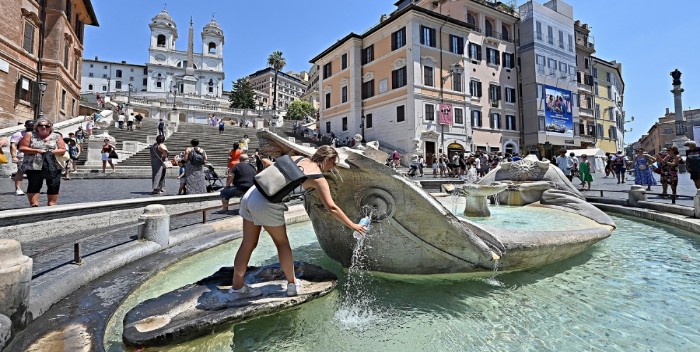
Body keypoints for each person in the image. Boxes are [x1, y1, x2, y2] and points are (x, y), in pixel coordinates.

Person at [230, 146, 367, 299]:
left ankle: (237, 288)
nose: (332, 168)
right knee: (282, 243)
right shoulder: (318, 179)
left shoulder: (296, 158)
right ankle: (292, 285)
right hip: (266, 203)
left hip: (252, 194)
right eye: (333, 163)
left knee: (247, 244)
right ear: (327, 159)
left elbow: (271, 167)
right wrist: (353, 225)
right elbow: (332, 208)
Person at [17, 118, 66, 207]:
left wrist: (51, 152)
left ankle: (52, 204)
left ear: (50, 127)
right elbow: (22, 148)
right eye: (41, 125)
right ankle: (34, 204)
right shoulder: (30, 134)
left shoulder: (57, 136)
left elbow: (63, 149)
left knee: (54, 184)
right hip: (34, 165)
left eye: (47, 125)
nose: (44, 127)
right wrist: (38, 151)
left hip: (53, 164)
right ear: (37, 127)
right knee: (34, 184)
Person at [10, 120, 34, 195]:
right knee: (20, 171)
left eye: (33, 125)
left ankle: (33, 188)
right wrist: (14, 156)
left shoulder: (37, 134)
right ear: (25, 126)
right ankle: (18, 189)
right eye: (29, 125)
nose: (31, 127)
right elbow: (13, 145)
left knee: (35, 172)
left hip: (35, 155)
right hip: (22, 155)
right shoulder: (18, 134)